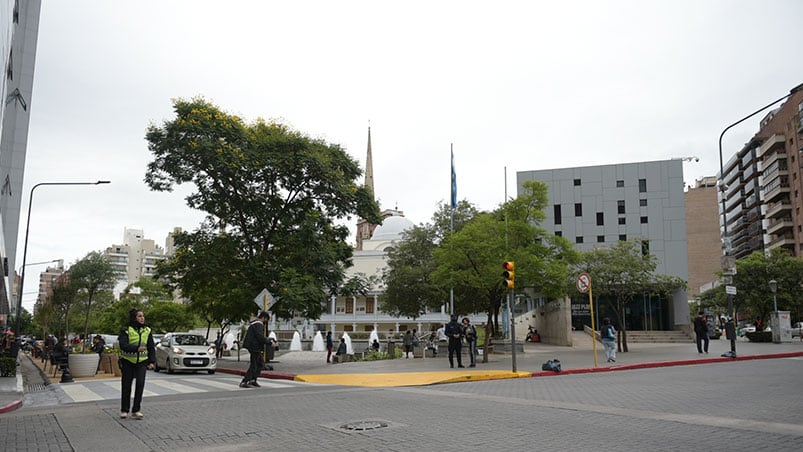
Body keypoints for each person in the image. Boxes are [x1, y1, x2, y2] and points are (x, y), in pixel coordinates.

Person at [118, 309, 156, 420]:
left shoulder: (147, 330)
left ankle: (136, 410)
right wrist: (136, 349)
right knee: (126, 386)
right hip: (128, 362)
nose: (142, 318)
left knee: (140, 384)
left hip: (142, 362)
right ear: (134, 318)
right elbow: (123, 345)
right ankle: (124, 410)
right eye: (139, 316)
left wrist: (152, 361)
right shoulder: (126, 330)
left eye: (143, 316)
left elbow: (151, 347)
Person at [240, 311, 271, 388]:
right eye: (266, 320)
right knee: (254, 364)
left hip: (254, 347)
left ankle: (253, 380)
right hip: (254, 347)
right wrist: (269, 342)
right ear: (263, 318)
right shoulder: (258, 324)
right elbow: (260, 337)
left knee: (260, 364)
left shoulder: (255, 324)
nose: (266, 322)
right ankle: (245, 381)